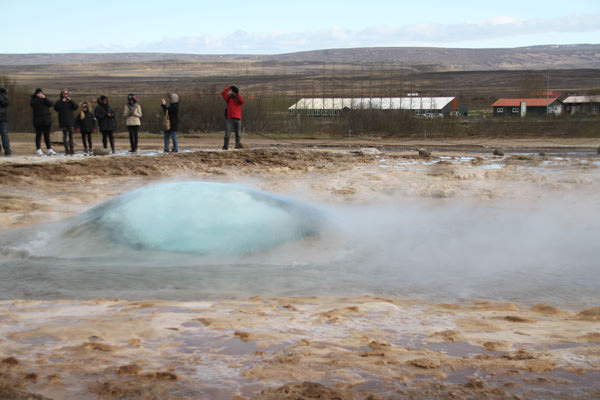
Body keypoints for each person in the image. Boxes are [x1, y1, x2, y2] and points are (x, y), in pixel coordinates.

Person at [30, 88, 56, 156]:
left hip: (46, 120)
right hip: (38, 121)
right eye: (38, 93)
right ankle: (38, 149)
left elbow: (51, 104)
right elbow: (32, 104)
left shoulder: (45, 100)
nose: (40, 95)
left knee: (47, 135)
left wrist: (44, 98)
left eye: (41, 93)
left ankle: (49, 149)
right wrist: (38, 98)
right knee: (39, 135)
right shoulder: (34, 100)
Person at [53, 89, 78, 155]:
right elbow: (56, 108)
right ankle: (66, 149)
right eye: (64, 94)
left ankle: (72, 149)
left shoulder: (70, 102)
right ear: (61, 94)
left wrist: (71, 101)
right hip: (63, 121)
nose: (65, 95)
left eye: (66, 94)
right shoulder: (59, 101)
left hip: (70, 121)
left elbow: (76, 107)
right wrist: (62, 102)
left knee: (71, 136)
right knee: (65, 136)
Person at [221, 85, 245, 150]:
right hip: (229, 119)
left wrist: (237, 95)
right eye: (232, 91)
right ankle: (225, 146)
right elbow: (223, 93)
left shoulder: (239, 99)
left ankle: (237, 145)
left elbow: (242, 101)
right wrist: (229, 87)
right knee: (227, 134)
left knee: (238, 134)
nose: (232, 93)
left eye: (233, 92)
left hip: (238, 119)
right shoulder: (228, 98)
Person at [0, 87, 10, 156]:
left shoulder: (4, 96)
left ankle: (7, 150)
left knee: (4, 135)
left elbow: (6, 103)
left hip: (2, 119)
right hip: (3, 119)